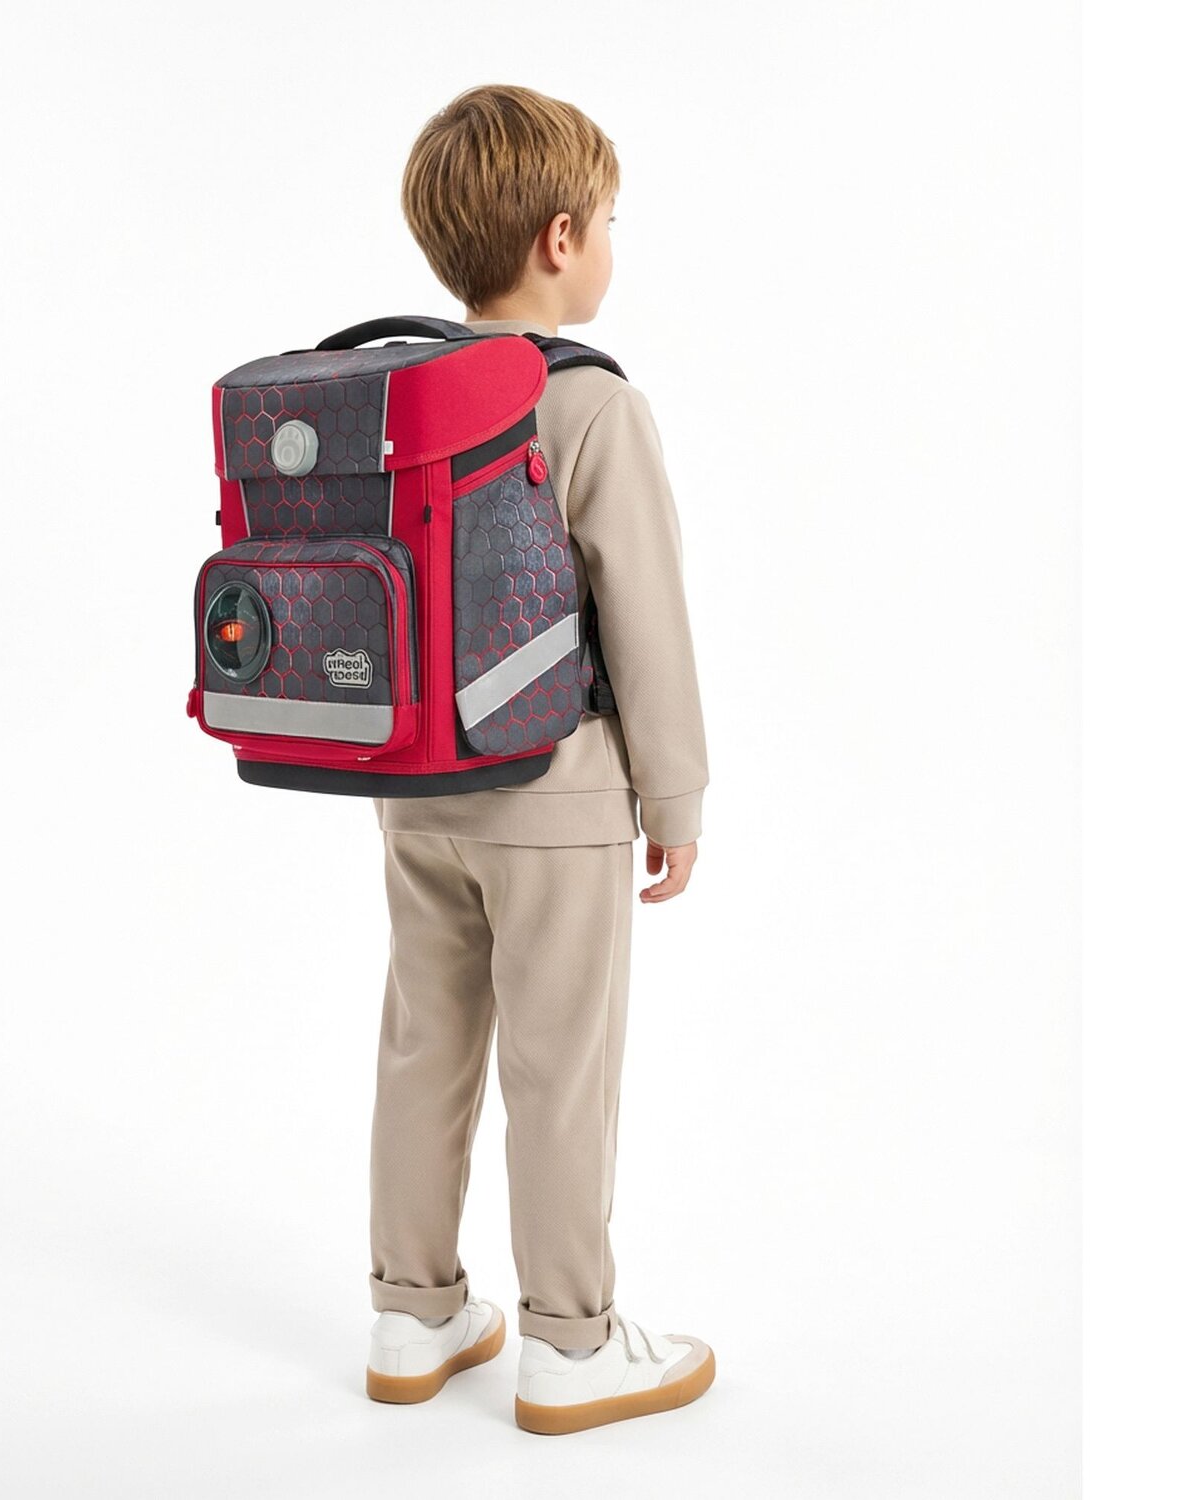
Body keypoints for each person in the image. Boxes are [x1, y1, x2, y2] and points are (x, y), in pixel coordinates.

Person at [364, 84, 713, 1436]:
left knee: (425, 1046)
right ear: (561, 238)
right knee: (558, 1070)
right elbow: (646, 619)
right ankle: (571, 1343)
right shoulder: (591, 406)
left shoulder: (397, 392)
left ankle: (412, 1313)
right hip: (557, 798)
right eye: (611, 221)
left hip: (413, 793)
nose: (612, 243)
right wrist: (673, 794)